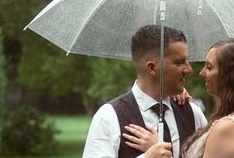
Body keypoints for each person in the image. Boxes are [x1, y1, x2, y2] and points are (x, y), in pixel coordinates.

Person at [82, 24, 207, 158]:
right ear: (152, 68)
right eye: (179, 62)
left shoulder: (193, 114)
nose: (189, 70)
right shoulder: (108, 117)